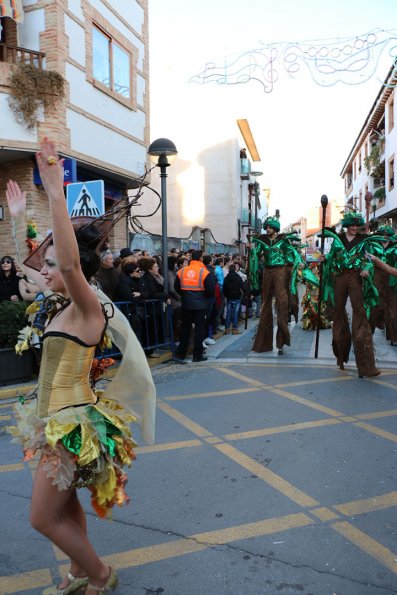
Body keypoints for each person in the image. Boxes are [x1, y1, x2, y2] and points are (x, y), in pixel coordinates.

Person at [5, 143, 156, 595]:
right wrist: (17, 219)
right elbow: (32, 268)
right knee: (65, 506)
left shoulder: (88, 310)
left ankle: (101, 574)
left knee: (41, 517)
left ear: (76, 275)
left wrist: (55, 193)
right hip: (51, 419)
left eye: (50, 265)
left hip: (72, 424)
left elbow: (67, 262)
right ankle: (76, 572)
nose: (43, 270)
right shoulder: (54, 305)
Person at [320, 210, 380, 377]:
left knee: (359, 314)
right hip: (339, 278)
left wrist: (367, 269)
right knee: (338, 314)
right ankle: (341, 356)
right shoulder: (337, 240)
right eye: (351, 225)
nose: (354, 227)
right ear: (346, 225)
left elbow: (369, 260)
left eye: (356, 225)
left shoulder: (363, 240)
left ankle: (365, 365)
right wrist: (325, 260)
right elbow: (331, 257)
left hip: (355, 277)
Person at [250, 216, 298, 355]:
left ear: (275, 228)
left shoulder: (283, 240)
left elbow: (292, 254)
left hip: (280, 270)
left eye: (270, 227)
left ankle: (281, 343)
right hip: (267, 271)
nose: (267, 229)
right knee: (265, 304)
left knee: (282, 303)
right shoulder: (262, 241)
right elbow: (256, 254)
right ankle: (263, 343)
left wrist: (296, 263)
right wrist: (252, 250)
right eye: (267, 227)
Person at [174, 249, 215, 362]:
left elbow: (176, 287)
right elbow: (211, 290)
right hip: (201, 305)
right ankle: (197, 355)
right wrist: (202, 297)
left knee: (185, 329)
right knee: (199, 331)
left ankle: (181, 354)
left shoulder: (182, 271)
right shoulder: (205, 272)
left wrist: (185, 295)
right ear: (201, 258)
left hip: (186, 304)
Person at [223, 263, 244, 334]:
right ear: (235, 269)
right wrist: (246, 293)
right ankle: (234, 328)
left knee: (228, 312)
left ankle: (227, 328)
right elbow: (242, 286)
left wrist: (226, 295)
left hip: (229, 297)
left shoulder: (226, 278)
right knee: (235, 312)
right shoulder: (238, 278)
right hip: (237, 297)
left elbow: (224, 288)